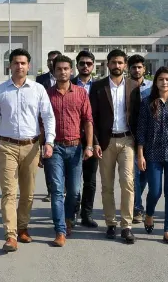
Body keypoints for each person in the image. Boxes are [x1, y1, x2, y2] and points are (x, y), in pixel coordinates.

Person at [0, 48, 56, 253]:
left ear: (29, 66)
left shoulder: (37, 89)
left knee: (28, 193)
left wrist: (49, 142)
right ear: (10, 66)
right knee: (9, 192)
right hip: (7, 145)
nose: (19, 66)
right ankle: (11, 235)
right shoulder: (0, 91)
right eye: (16, 63)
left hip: (32, 146)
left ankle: (22, 227)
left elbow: (48, 117)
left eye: (23, 63)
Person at [43, 55, 94, 247]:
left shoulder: (81, 93)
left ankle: (69, 218)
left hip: (75, 148)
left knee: (74, 191)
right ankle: (60, 230)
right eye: (59, 69)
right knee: (56, 190)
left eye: (66, 68)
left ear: (71, 71)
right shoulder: (47, 94)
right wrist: (43, 146)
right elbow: (41, 122)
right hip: (54, 147)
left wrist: (88, 146)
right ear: (54, 71)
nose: (63, 72)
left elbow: (88, 120)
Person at [136, 67, 168, 245]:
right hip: (152, 153)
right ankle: (149, 214)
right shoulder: (147, 103)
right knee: (156, 190)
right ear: (156, 82)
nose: (164, 82)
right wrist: (140, 154)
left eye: (167, 79)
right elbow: (141, 130)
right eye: (160, 79)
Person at [89, 49, 138, 244]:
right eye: (113, 62)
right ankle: (110, 223)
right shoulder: (98, 87)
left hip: (127, 140)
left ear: (125, 64)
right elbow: (91, 117)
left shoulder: (134, 87)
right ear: (107, 64)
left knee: (127, 182)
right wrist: (94, 142)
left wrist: (139, 144)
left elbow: (138, 117)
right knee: (107, 185)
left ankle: (126, 225)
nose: (117, 66)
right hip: (105, 142)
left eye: (120, 62)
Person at [72, 50, 100, 227]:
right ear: (77, 65)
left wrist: (96, 142)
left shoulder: (99, 87)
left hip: (93, 139)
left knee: (90, 180)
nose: (85, 66)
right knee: (73, 180)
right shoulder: (69, 85)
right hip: (72, 138)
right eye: (82, 63)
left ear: (93, 66)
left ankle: (86, 214)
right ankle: (72, 212)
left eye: (89, 64)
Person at [127, 54, 151, 224]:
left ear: (144, 68)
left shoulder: (151, 88)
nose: (136, 70)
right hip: (131, 136)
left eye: (139, 67)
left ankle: (138, 201)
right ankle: (137, 207)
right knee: (134, 174)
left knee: (146, 175)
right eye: (133, 67)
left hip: (151, 137)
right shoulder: (124, 87)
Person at [36, 49, 61, 202]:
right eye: (50, 60)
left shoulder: (69, 78)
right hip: (45, 125)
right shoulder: (41, 79)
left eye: (55, 60)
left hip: (64, 125)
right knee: (48, 158)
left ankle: (62, 189)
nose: (52, 62)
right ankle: (51, 190)